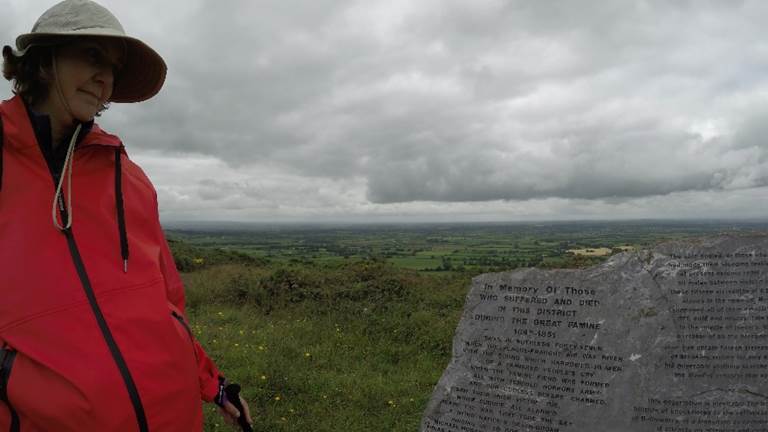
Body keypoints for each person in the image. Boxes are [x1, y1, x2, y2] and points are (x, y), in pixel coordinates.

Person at [0, 0, 252, 430]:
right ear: (43, 62)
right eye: (91, 55)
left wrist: (214, 383)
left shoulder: (130, 178)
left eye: (113, 66)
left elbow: (168, 305)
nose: (105, 77)